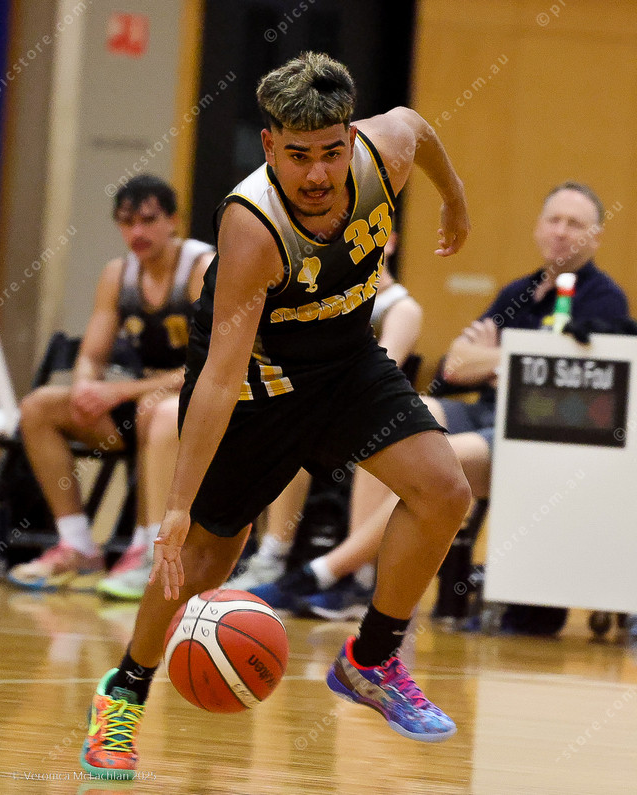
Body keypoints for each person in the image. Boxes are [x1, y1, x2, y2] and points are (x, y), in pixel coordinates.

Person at [81, 52, 471, 780]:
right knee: (203, 558)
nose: (317, 174)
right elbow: (218, 378)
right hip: (259, 389)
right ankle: (123, 694)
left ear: (351, 138)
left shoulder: (384, 153)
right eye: (298, 156)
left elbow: (417, 126)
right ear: (268, 145)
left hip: (347, 365)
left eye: (330, 152)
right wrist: (176, 506)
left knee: (445, 491)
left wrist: (453, 199)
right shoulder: (252, 226)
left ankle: (371, 661)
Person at [424, 181, 629, 629]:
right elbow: (453, 366)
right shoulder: (517, 291)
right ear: (538, 227)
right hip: (485, 411)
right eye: (554, 220)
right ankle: (361, 577)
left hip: (534, 431)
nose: (561, 231)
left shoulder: (604, 300)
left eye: (574, 224)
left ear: (595, 237)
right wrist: (518, 357)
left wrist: (496, 358)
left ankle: (333, 570)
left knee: (438, 456)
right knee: (405, 424)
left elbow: (572, 385)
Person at [8, 175, 215, 595]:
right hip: (142, 405)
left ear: (173, 221)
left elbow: (211, 364)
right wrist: (86, 386)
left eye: (148, 220)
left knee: (154, 408)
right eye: (126, 222)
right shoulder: (118, 274)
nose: (136, 232)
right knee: (39, 407)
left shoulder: (200, 268)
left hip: (201, 407)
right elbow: (91, 355)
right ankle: (78, 546)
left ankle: (151, 549)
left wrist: (119, 391)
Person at [228, 229, 423, 605]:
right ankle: (261, 554)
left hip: (370, 414)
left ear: (391, 241)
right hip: (322, 409)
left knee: (299, 426)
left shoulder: (402, 308)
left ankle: (353, 575)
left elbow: (378, 376)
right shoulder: (328, 297)